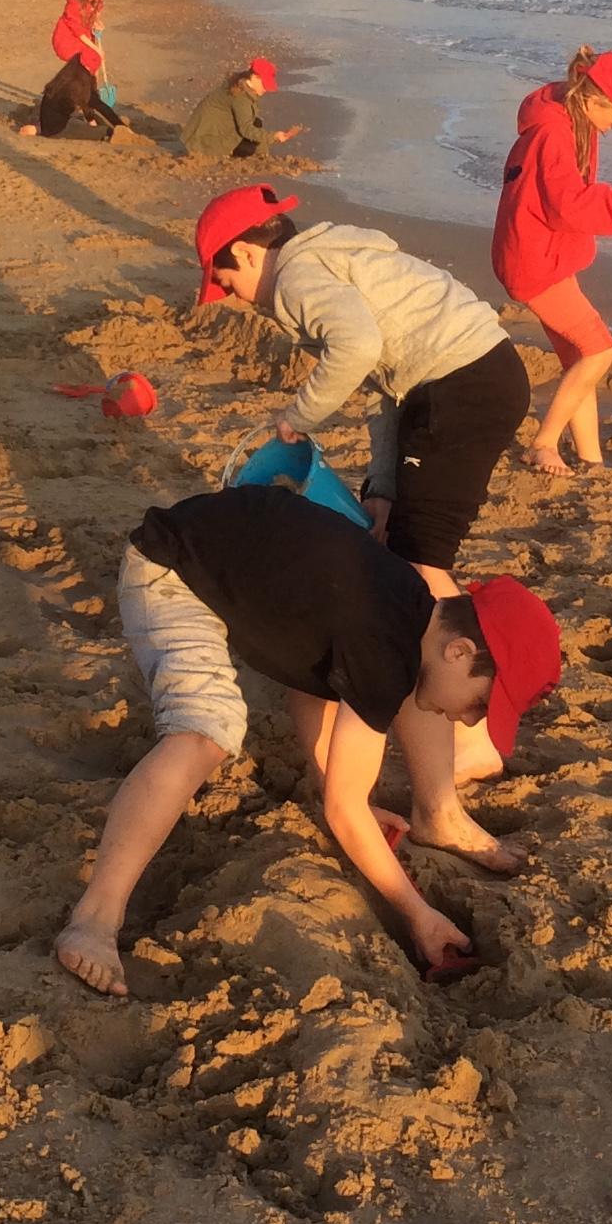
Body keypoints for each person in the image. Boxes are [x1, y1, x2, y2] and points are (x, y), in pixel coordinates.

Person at [52, 484, 563, 999]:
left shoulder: (408, 604)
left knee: (312, 727)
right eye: (481, 703)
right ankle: (95, 919)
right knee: (205, 729)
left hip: (215, 547)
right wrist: (417, 913)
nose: (470, 719)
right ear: (459, 651)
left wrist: (333, 787)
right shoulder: (382, 650)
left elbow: (313, 679)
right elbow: (345, 810)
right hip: (171, 572)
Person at [196, 183, 533, 782]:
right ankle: (463, 706)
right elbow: (387, 389)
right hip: (465, 380)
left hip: (463, 385)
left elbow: (355, 348)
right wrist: (382, 486)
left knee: (420, 562)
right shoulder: (332, 262)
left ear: (246, 252)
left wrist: (298, 416)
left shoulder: (298, 277)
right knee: (406, 548)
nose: (237, 299)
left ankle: (475, 725)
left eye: (227, 283)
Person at [491, 47, 612, 477]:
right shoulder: (554, 134)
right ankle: (543, 444)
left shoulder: (571, 121)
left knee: (581, 358)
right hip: (535, 262)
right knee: (599, 349)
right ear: (595, 99)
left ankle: (591, 460)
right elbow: (570, 207)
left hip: (539, 254)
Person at [26, 0, 121, 138]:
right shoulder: (73, 4)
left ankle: (91, 96)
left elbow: (93, 19)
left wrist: (97, 24)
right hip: (67, 37)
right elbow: (78, 31)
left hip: (84, 34)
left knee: (91, 64)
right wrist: (96, 49)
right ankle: (89, 103)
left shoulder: (96, 0)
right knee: (86, 64)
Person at [180, 57, 303, 161]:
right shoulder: (240, 98)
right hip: (203, 142)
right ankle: (252, 154)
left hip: (201, 133)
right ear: (254, 77)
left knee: (256, 123)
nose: (265, 89)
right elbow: (246, 130)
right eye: (264, 84)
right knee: (250, 148)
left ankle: (260, 153)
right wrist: (274, 137)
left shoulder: (239, 83)